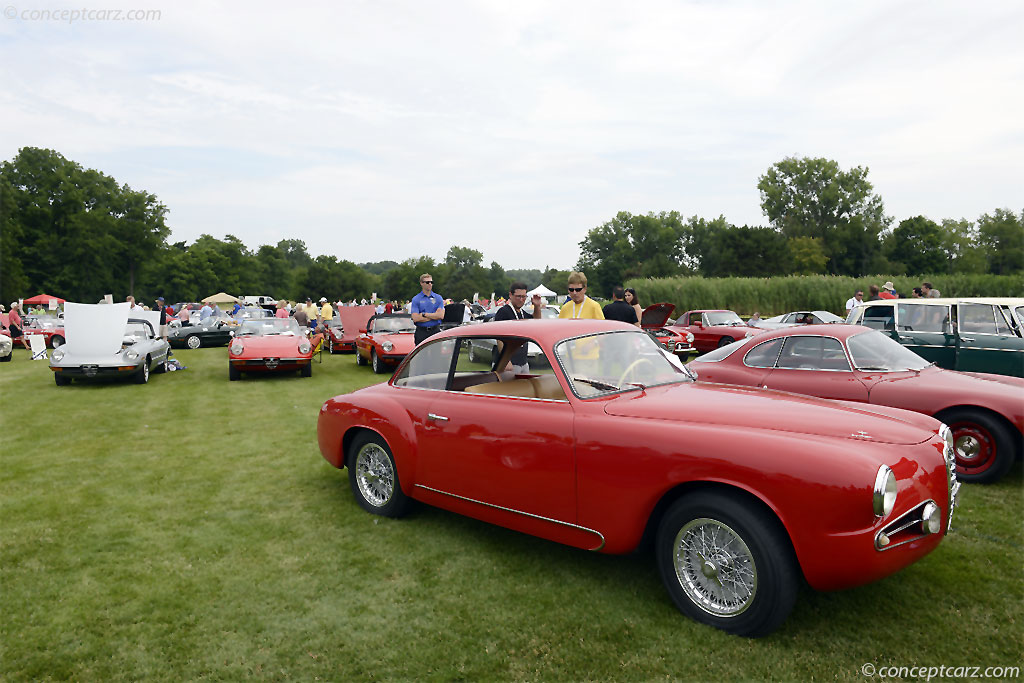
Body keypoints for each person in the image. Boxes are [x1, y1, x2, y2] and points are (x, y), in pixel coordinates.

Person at [493, 282, 543, 375]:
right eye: (518, 296)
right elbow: (499, 338)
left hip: (522, 362)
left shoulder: (522, 313)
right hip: (509, 363)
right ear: (510, 295)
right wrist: (506, 361)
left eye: (524, 297)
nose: (521, 300)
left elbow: (536, 322)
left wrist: (537, 306)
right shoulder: (503, 312)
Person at [411, 273, 445, 344]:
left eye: (431, 282)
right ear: (421, 283)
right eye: (427, 282)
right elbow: (415, 318)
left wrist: (424, 314)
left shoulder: (438, 298)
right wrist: (434, 316)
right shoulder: (416, 299)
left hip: (435, 331)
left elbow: (440, 316)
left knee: (436, 354)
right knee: (422, 355)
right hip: (421, 332)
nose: (430, 284)